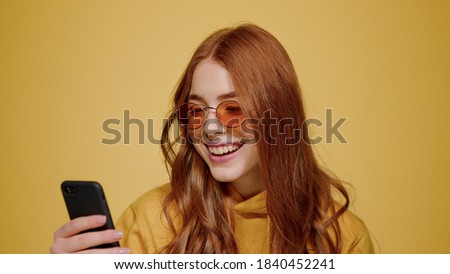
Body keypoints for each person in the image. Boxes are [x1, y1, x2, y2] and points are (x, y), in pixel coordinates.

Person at [50, 24, 374, 254]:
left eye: (233, 108)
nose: (210, 129)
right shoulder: (150, 220)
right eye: (196, 111)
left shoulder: (341, 236)